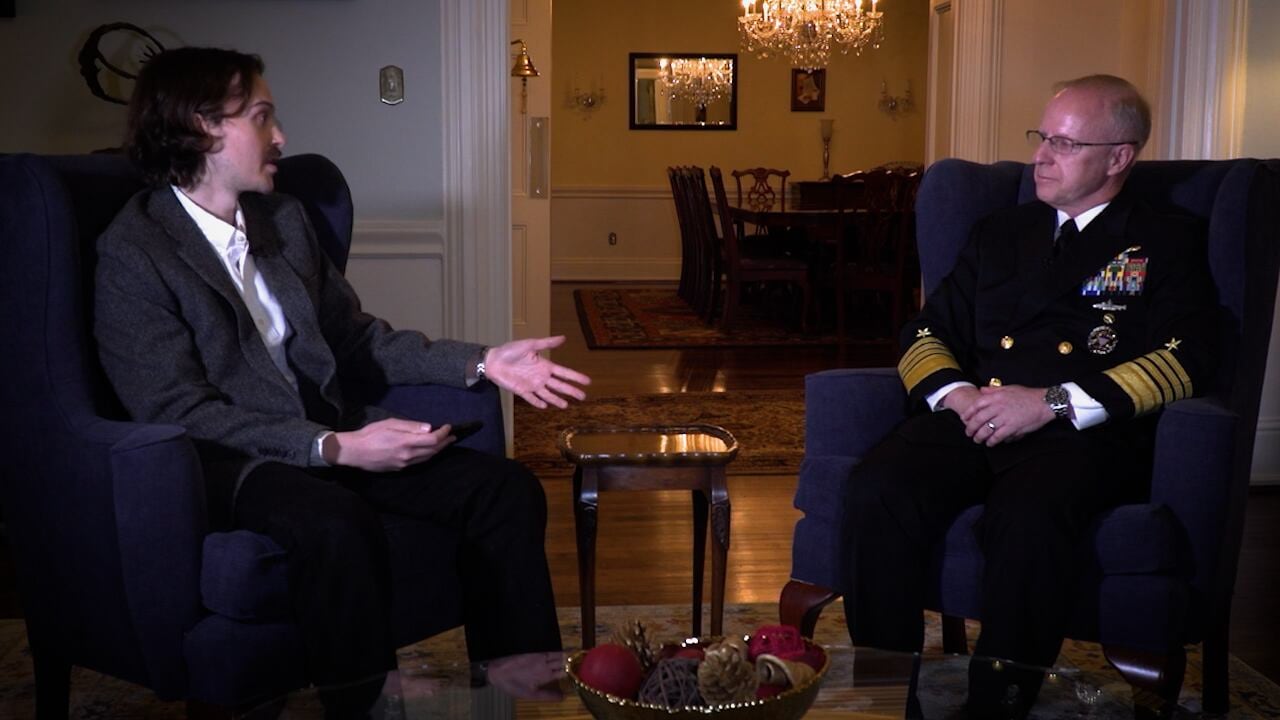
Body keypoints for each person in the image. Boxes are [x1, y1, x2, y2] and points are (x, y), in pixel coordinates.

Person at [93, 46, 590, 716]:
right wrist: (332, 449)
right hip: (231, 462)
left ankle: (516, 698)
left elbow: (356, 340)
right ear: (201, 127)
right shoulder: (135, 251)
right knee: (335, 521)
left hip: (327, 433)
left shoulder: (282, 220)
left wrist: (484, 361)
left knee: (504, 490)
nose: (281, 136)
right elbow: (177, 409)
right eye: (261, 117)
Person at [842, 75, 1217, 717]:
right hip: (973, 414)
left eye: (1064, 144)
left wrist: (1051, 402)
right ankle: (880, 700)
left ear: (1118, 157)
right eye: (1042, 137)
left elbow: (1186, 360)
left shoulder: (1165, 239)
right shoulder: (1001, 230)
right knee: (877, 487)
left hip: (1077, 432)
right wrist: (957, 395)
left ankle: (998, 705)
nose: (1041, 157)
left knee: (1028, 522)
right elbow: (927, 330)